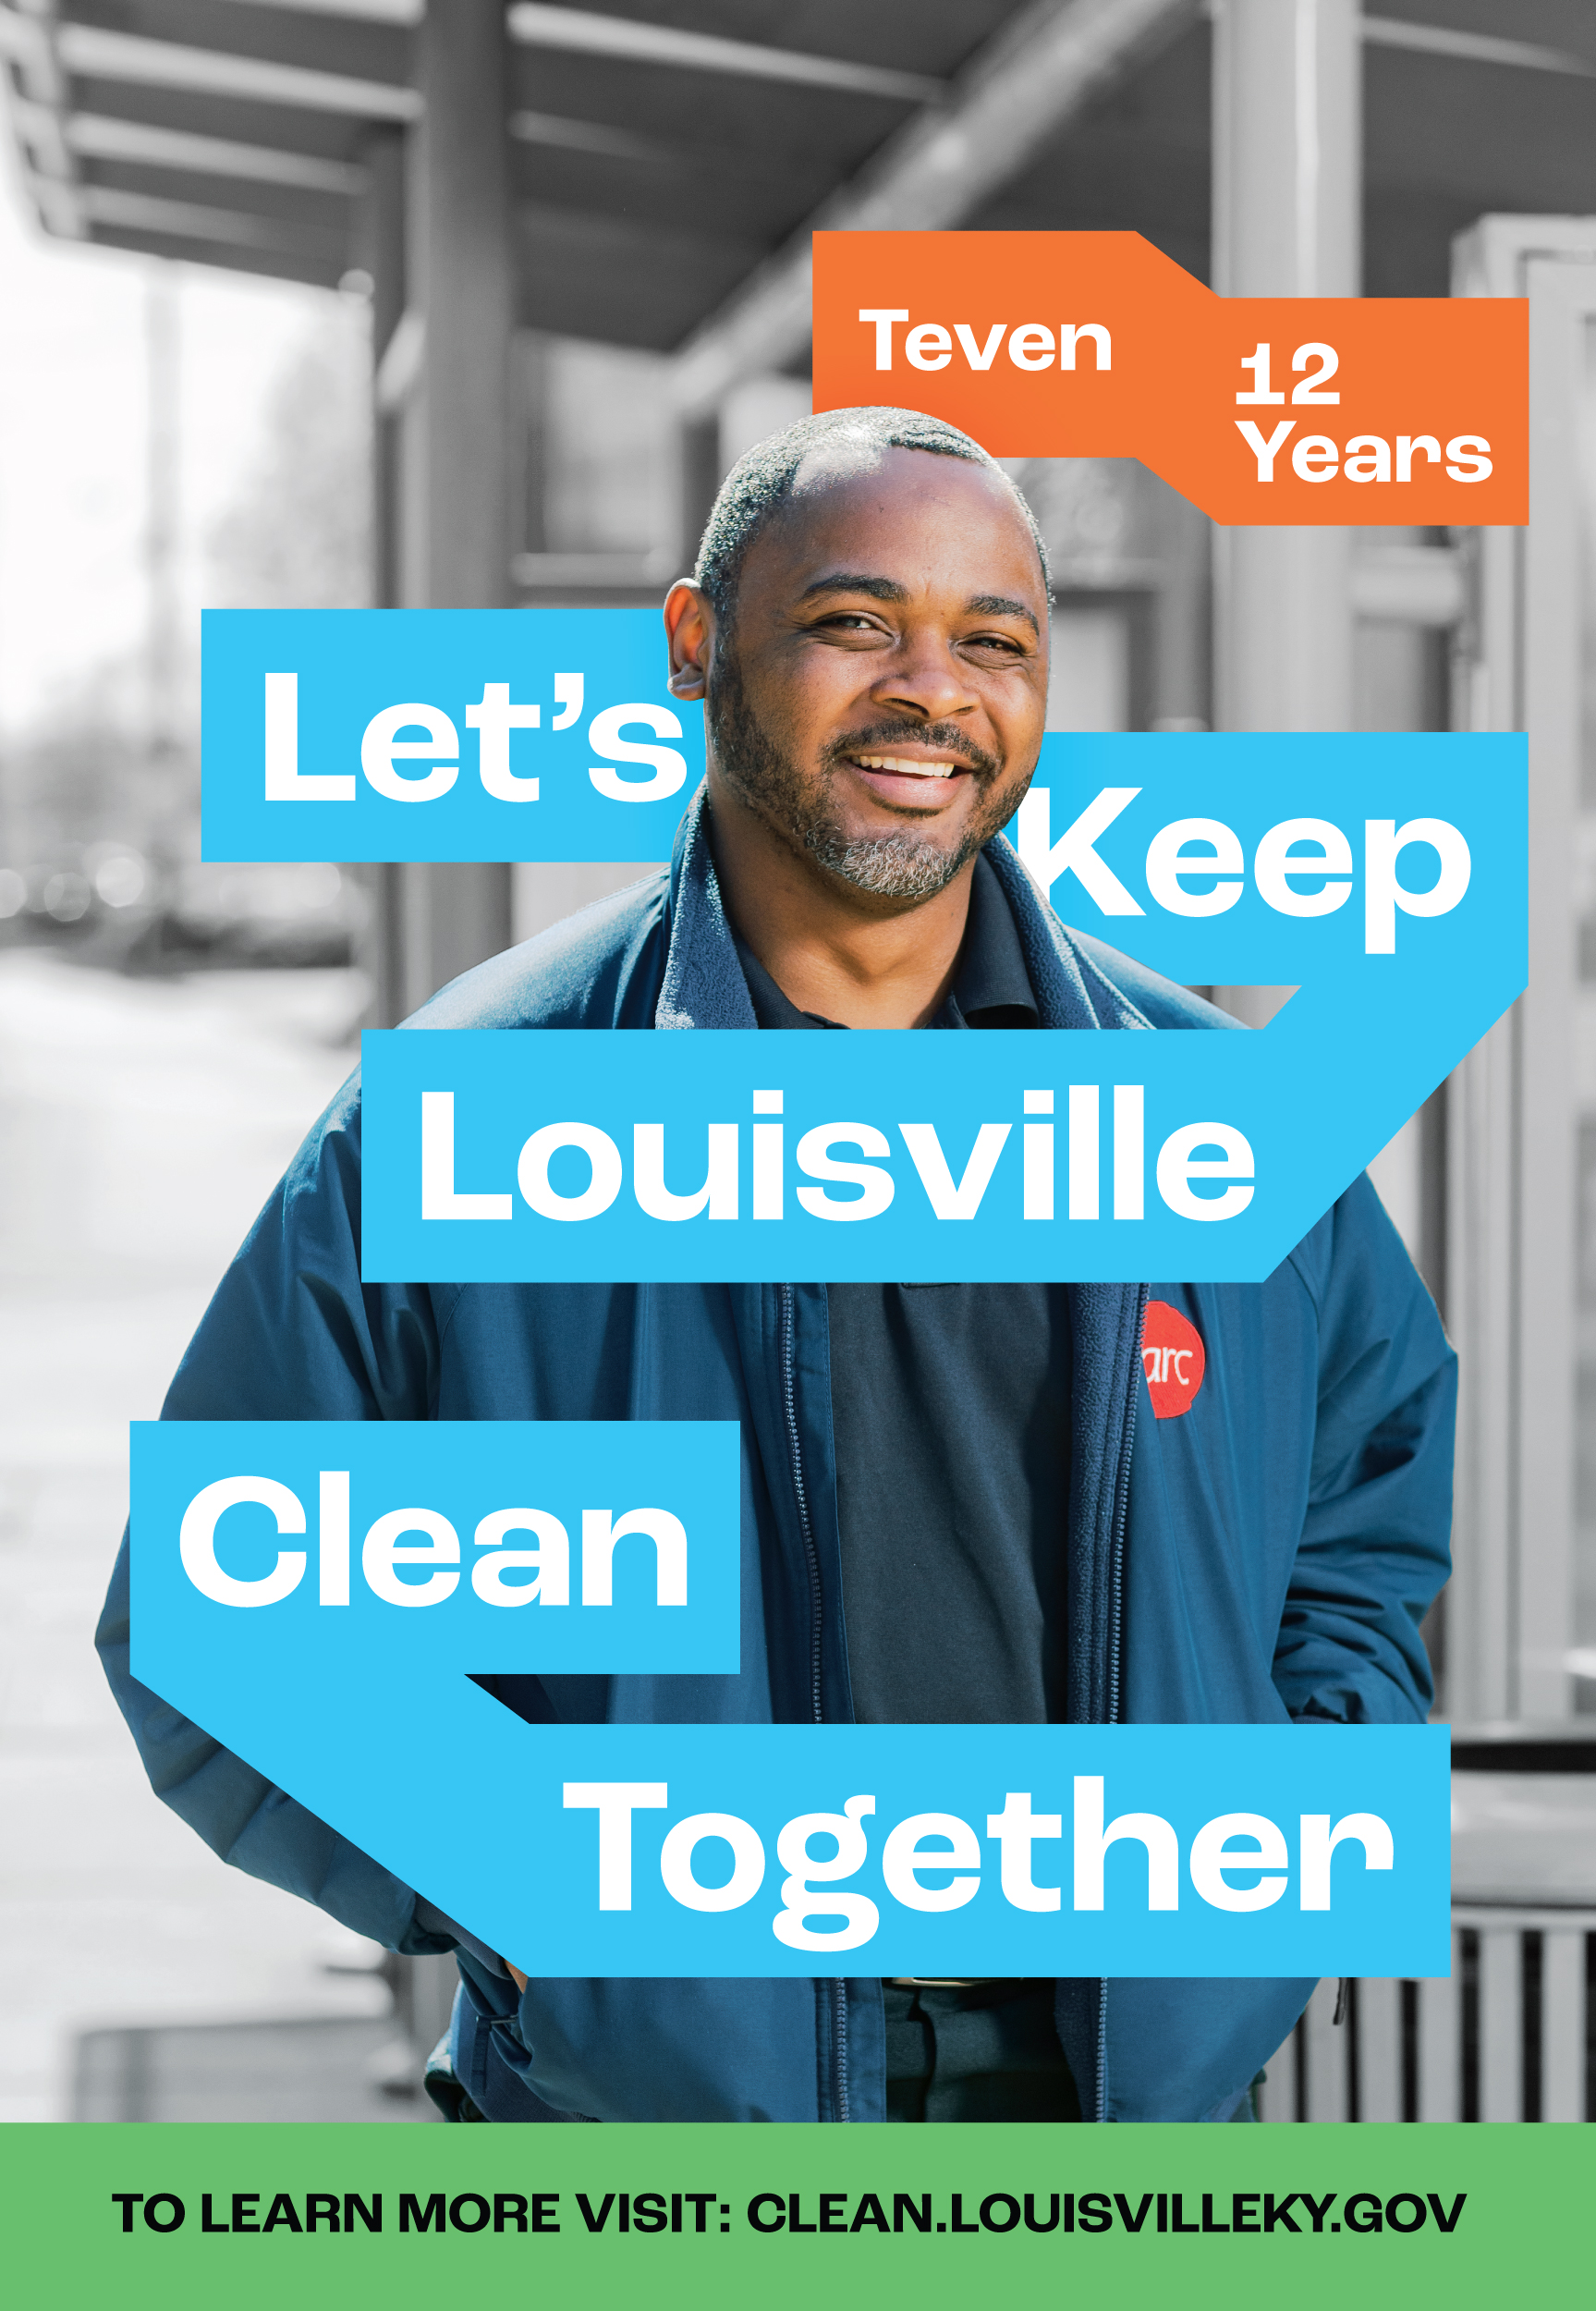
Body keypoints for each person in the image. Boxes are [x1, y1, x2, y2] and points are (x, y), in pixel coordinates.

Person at [96, 406, 1454, 2125]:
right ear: (694, 644)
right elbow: (216, 1618)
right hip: (661, 2130)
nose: (932, 690)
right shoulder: (476, 1107)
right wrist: (543, 1899)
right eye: (856, 622)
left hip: (1127, 2105)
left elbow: (1363, 1513)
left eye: (993, 640)